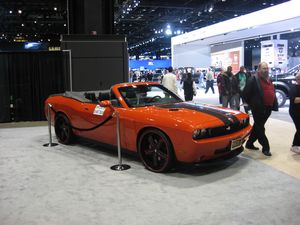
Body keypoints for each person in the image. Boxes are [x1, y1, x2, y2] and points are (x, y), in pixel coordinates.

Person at [242, 62, 278, 156]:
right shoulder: (253, 79)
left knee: (257, 126)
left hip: (268, 107)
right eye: (264, 68)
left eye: (267, 68)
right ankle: (266, 147)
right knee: (260, 127)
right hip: (258, 108)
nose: (266, 70)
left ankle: (249, 144)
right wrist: (253, 105)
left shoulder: (269, 79)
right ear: (259, 69)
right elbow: (245, 94)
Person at [289, 72, 300, 153]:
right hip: (295, 112)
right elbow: (294, 100)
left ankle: (295, 145)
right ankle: (295, 145)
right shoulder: (293, 88)